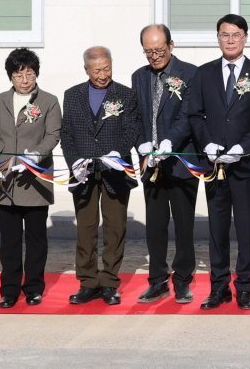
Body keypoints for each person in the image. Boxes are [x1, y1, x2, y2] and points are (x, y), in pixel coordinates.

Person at [189, 14, 250, 310]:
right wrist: (206, 143)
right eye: (224, 35)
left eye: (235, 35)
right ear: (217, 38)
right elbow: (194, 115)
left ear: (245, 37)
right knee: (217, 228)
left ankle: (245, 287)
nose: (230, 40)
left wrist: (243, 146)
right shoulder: (204, 74)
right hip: (215, 167)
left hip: (246, 164)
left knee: (247, 229)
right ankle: (219, 286)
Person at [60, 45, 143, 306]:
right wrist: (75, 163)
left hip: (115, 170)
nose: (102, 75)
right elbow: (67, 135)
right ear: (86, 70)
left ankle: (109, 281)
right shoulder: (72, 95)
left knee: (115, 228)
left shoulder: (126, 95)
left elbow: (132, 129)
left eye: (106, 68)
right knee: (85, 229)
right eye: (97, 70)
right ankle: (87, 282)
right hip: (83, 172)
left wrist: (116, 153)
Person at [0, 48, 61, 308]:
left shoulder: (48, 101)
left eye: (29, 72)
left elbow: (53, 135)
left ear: (36, 73)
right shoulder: (0, 99)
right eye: (18, 74)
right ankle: (9, 289)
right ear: (11, 76)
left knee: (37, 239)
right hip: (5, 181)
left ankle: (34, 287)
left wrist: (36, 155)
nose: (24, 79)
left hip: (35, 180)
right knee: (10, 241)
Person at [129, 23, 200, 305]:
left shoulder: (190, 74)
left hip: (181, 160)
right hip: (151, 164)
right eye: (148, 52)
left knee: (184, 224)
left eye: (159, 50)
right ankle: (157, 280)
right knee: (155, 225)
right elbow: (135, 116)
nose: (154, 56)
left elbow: (189, 114)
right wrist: (142, 144)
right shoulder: (139, 77)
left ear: (171, 45)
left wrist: (170, 142)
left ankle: (183, 279)